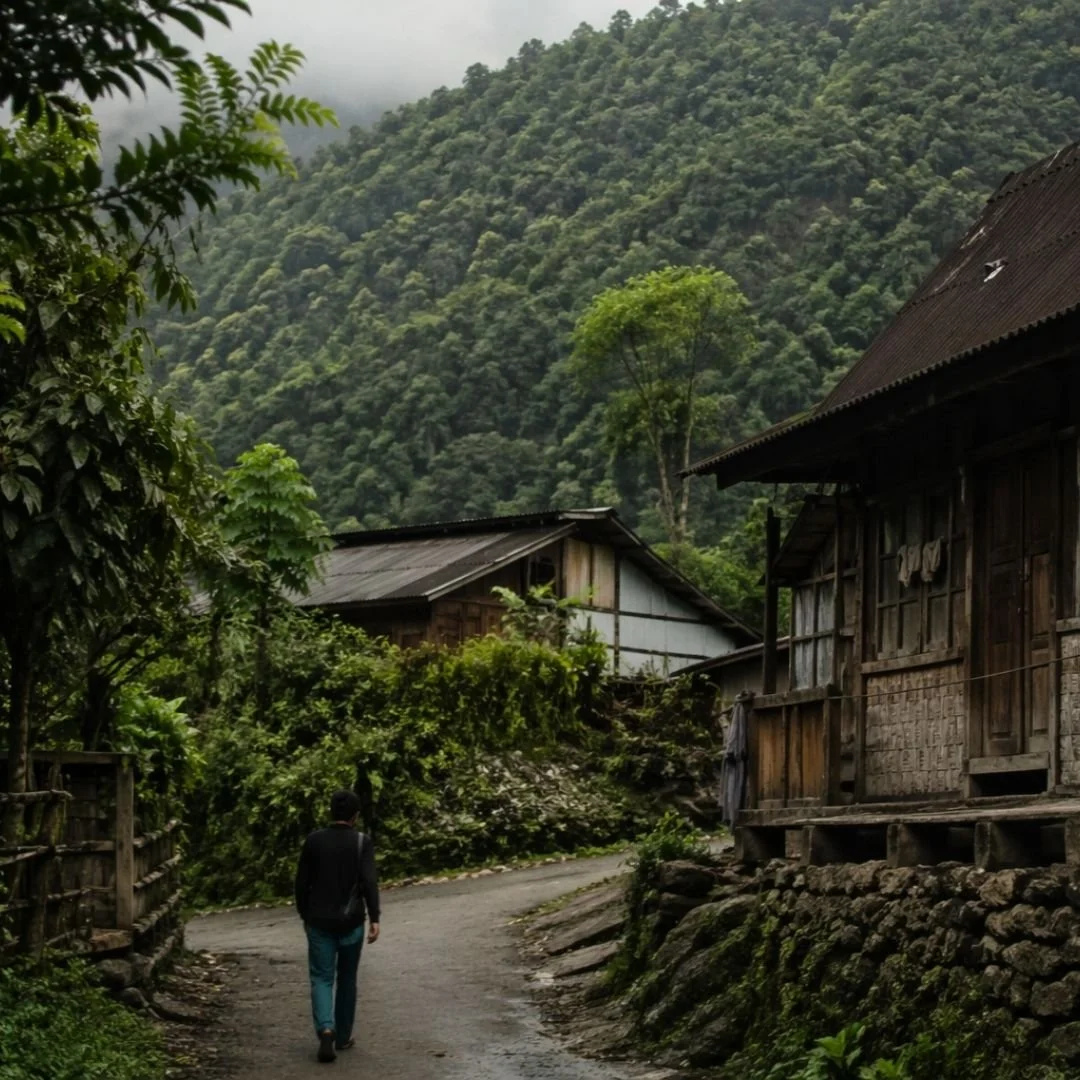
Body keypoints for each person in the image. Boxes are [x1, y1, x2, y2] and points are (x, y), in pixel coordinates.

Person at [294, 789, 381, 1064]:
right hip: (352, 923)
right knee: (347, 979)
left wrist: (304, 915)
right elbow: (369, 881)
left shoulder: (314, 841)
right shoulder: (361, 842)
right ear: (355, 816)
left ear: (331, 812)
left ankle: (326, 1029)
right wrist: (375, 917)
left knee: (321, 977)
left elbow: (301, 883)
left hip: (319, 922)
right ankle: (342, 1037)